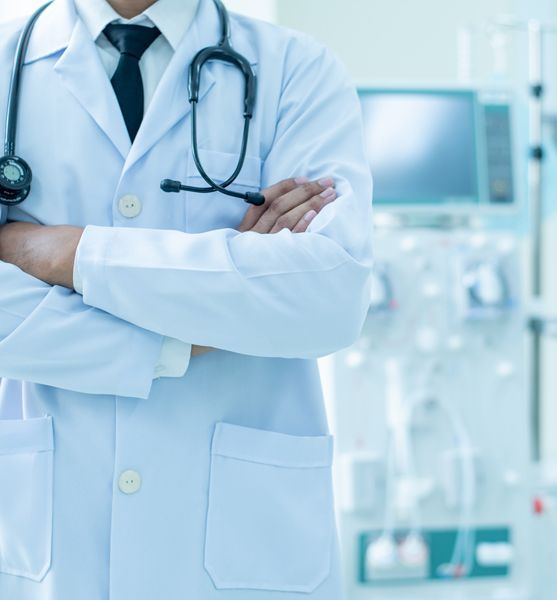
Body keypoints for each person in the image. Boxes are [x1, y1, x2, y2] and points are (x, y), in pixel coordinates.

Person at [0, 0, 372, 598]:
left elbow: (326, 294)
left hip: (243, 554)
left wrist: (61, 252)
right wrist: (191, 330)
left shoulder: (295, 70)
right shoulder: (7, 66)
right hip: (40, 543)